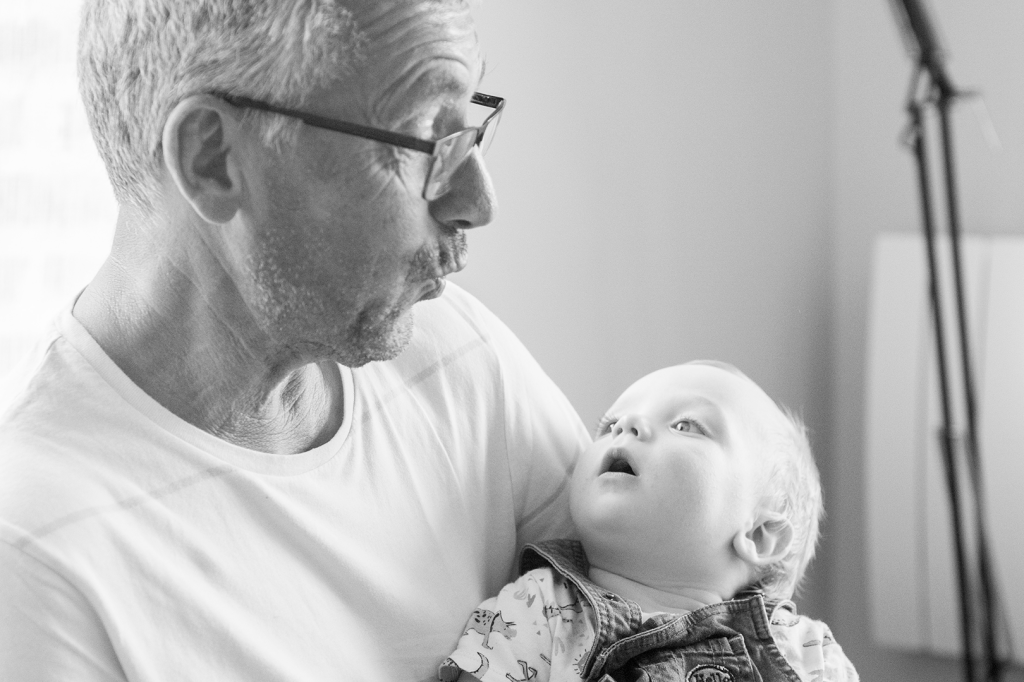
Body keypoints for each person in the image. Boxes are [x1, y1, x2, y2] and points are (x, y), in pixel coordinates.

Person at [0, 1, 589, 680]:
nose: (478, 201)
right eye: (424, 134)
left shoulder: (455, 353)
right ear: (213, 160)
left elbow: (676, 610)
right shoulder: (35, 554)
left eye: (469, 123)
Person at [440, 361, 860, 682]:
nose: (627, 425)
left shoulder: (806, 652)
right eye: (609, 424)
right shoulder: (538, 609)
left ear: (758, 533)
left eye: (685, 425)